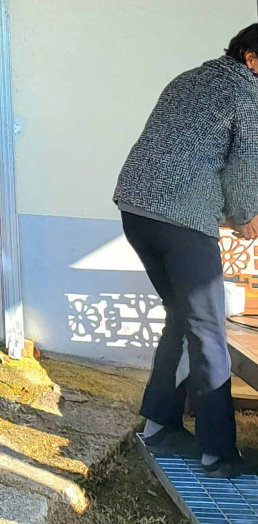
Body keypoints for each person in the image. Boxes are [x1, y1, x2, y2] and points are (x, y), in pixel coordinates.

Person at [114, 24, 258, 477]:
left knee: (182, 315)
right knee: (209, 330)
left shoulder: (189, 78)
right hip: (181, 220)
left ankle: (160, 427)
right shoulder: (247, 95)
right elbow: (244, 168)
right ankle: (220, 454)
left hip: (136, 210)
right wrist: (245, 216)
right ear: (251, 59)